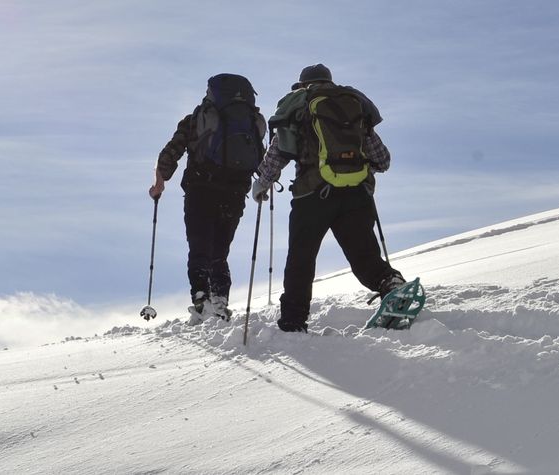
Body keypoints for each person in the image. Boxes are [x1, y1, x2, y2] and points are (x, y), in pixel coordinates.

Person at [253, 64, 405, 333]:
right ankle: (390, 283)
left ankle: (293, 320)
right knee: (363, 254)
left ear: (303, 85)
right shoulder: (352, 104)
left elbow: (278, 153)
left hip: (313, 195)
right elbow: (382, 160)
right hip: (357, 194)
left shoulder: (299, 105)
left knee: (301, 258)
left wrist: (262, 184)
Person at [151, 73, 268, 324]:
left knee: (199, 244)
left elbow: (171, 151)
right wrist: (264, 183)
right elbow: (260, 155)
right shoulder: (250, 120)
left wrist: (160, 182)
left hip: (201, 187)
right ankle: (220, 300)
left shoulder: (195, 119)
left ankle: (201, 297)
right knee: (220, 250)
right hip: (235, 190)